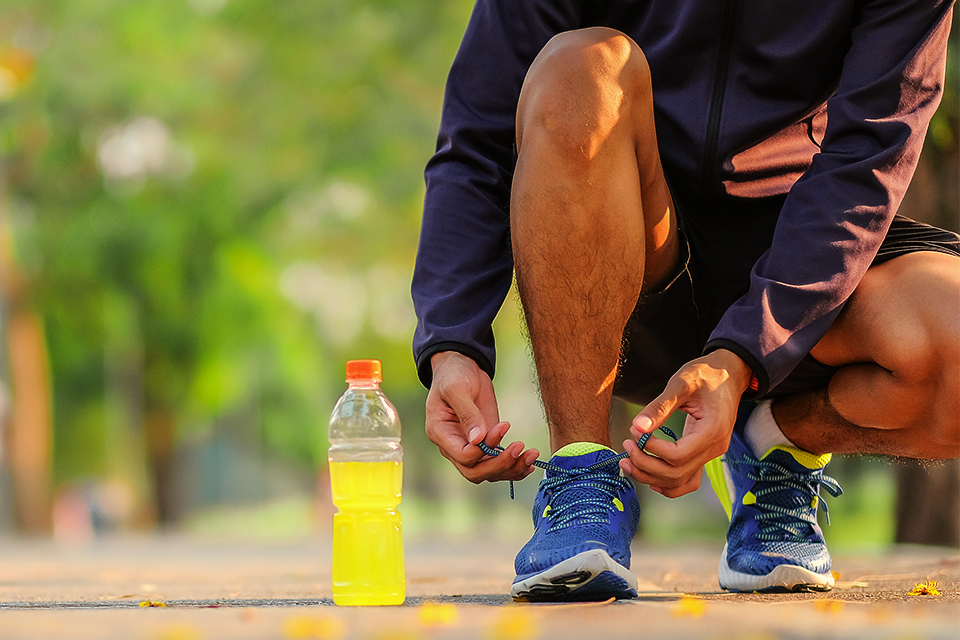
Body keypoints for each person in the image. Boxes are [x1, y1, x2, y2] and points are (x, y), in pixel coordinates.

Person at [412, 0, 960, 601]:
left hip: (811, 246)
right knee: (580, 67)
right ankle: (582, 474)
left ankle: (778, 441)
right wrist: (452, 343)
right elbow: (477, 138)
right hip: (632, 240)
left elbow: (868, 156)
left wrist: (745, 354)